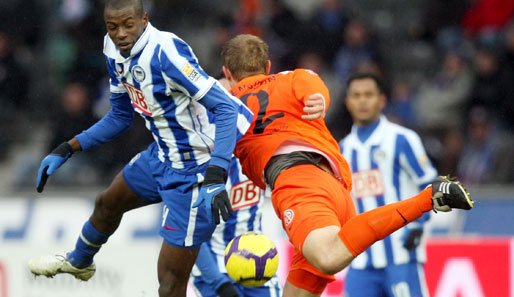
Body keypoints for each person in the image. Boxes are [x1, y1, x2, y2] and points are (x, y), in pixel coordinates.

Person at [220, 34, 473, 297]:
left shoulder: (227, 102)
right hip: (335, 193)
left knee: (328, 257)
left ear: (227, 72)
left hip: (297, 182)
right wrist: (319, 100)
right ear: (268, 66)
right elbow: (314, 86)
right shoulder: (294, 77)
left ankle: (429, 198)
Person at [28, 1, 253, 296]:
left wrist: (215, 173)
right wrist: (68, 147)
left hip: (194, 172)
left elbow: (224, 108)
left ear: (144, 20)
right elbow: (120, 116)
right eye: (113, 27)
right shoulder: (111, 49)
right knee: (107, 203)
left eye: (128, 25)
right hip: (159, 157)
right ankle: (79, 263)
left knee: (170, 284)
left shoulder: (166, 52)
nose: (120, 33)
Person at [339, 72, 438, 297]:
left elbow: (431, 184)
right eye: (356, 95)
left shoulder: (402, 139)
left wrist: (417, 226)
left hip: (401, 255)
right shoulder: (341, 150)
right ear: (348, 102)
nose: (362, 101)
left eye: (368, 94)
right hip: (361, 259)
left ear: (381, 100)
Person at [190, 156, 283, 297]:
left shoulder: (256, 155)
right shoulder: (197, 165)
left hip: (258, 266)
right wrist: (219, 283)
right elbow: (190, 232)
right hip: (215, 270)